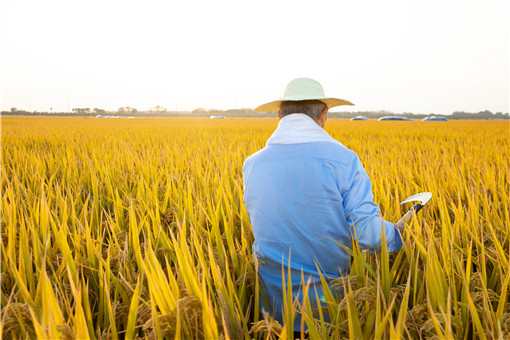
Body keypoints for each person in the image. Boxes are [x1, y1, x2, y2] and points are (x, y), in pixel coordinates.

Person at [242, 78, 404, 332]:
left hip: (271, 314)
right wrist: (398, 232)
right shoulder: (344, 160)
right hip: (328, 312)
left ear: (279, 114)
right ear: (323, 115)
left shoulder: (253, 164)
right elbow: (370, 236)